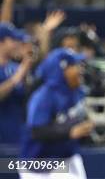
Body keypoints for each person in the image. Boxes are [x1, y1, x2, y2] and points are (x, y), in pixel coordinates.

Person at [20, 48, 94, 179]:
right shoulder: (44, 96)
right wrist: (70, 132)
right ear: (62, 70)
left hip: (67, 157)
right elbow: (37, 131)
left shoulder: (78, 92)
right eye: (74, 66)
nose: (80, 70)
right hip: (38, 163)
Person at [0, 23, 32, 144]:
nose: (16, 44)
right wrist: (19, 75)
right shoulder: (19, 70)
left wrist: (26, 70)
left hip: (18, 135)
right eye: (13, 40)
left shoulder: (15, 67)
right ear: (1, 42)